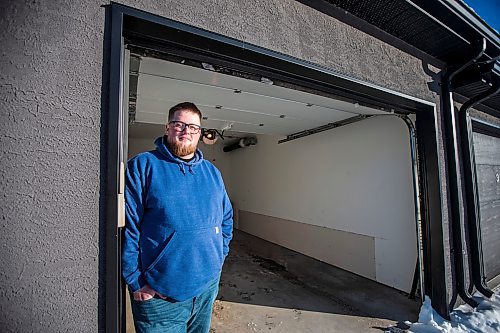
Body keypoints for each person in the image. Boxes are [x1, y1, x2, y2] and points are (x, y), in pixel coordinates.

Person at [122, 102, 233, 333]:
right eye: (178, 124)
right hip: (160, 297)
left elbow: (226, 219)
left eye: (193, 127)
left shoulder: (212, 173)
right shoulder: (143, 166)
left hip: (206, 287)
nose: (186, 131)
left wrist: (218, 259)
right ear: (167, 127)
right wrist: (136, 280)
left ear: (200, 133)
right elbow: (128, 228)